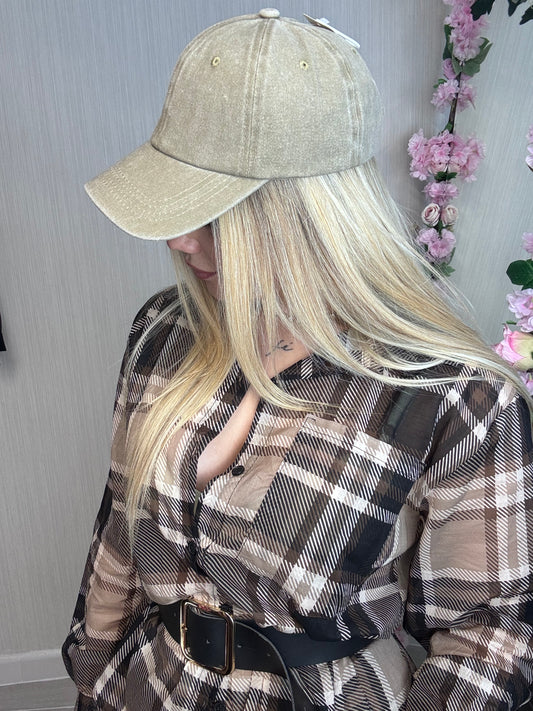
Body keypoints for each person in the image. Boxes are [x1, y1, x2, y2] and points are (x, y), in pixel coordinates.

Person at [62, 9, 533, 711]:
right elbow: (119, 537)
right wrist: (96, 677)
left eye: (218, 212)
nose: (180, 240)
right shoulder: (165, 330)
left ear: (313, 214)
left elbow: (488, 640)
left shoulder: (455, 399)